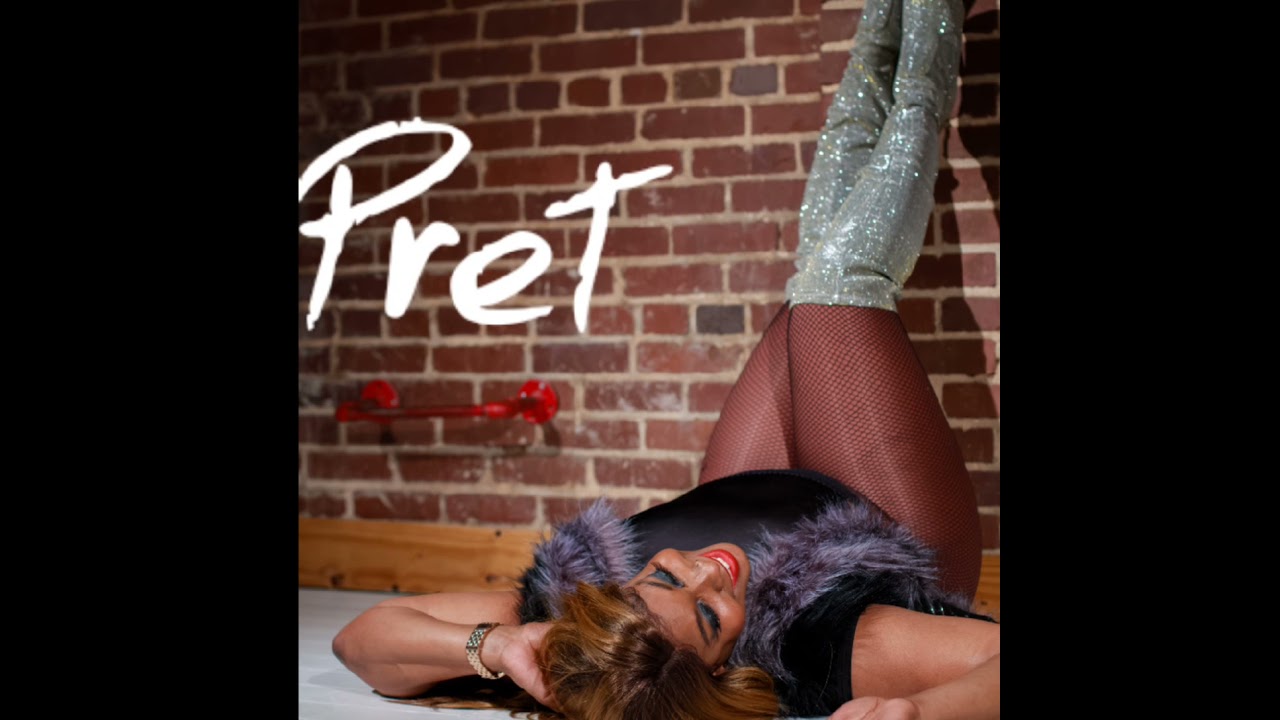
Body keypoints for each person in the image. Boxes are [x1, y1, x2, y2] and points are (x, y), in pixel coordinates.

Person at [331, 1, 999, 718]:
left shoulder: (588, 627)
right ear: (723, 673)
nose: (709, 571)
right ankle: (928, 22)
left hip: (769, 502)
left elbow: (359, 642)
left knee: (815, 278)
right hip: (896, 530)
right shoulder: (833, 646)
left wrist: (496, 646)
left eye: (665, 577)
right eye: (710, 618)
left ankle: (884, 20)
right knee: (839, 285)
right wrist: (919, 713)